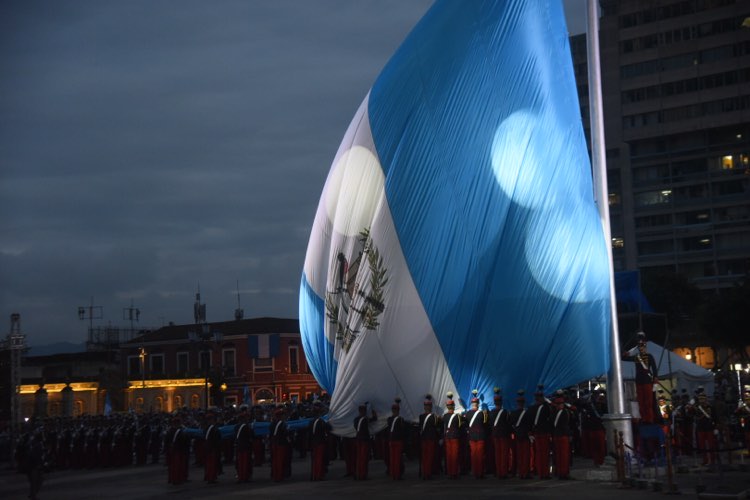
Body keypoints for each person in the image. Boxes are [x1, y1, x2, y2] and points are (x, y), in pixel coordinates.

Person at [622, 332, 660, 424]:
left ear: (645, 347)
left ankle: (650, 419)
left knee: (648, 402)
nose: (641, 348)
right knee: (641, 402)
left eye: (642, 346)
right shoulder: (636, 357)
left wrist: (655, 378)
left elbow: (654, 368)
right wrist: (625, 354)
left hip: (647, 381)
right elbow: (623, 358)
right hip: (639, 381)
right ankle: (643, 418)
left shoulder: (649, 356)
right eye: (640, 347)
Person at [530, 385, 552, 479]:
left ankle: (540, 473)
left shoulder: (532, 408)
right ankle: (545, 473)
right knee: (545, 454)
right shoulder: (546, 407)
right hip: (544, 433)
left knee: (538, 454)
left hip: (536, 433)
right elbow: (550, 419)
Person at [464, 390, 487, 479]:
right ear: (478, 403)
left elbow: (466, 425)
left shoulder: (468, 413)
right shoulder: (482, 413)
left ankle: (475, 472)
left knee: (473, 455)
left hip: (472, 436)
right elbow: (485, 424)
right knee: (480, 455)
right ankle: (480, 473)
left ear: (472, 403)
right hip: (480, 436)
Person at [489, 387, 512, 479]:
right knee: (504, 454)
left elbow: (490, 423)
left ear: (495, 403)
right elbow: (508, 423)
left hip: (495, 435)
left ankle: (499, 472)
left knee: (497, 454)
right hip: (504, 435)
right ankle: (503, 473)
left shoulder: (491, 412)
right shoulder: (505, 412)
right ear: (501, 402)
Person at [418, 394, 441, 480]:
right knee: (430, 456)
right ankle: (428, 473)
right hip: (431, 438)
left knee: (424, 457)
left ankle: (425, 473)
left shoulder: (421, 417)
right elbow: (436, 426)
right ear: (430, 407)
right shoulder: (434, 417)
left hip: (423, 439)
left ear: (424, 407)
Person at [511, 389, 532, 479]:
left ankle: (521, 473)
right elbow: (529, 424)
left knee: (519, 455)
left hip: (517, 435)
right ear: (523, 403)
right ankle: (525, 473)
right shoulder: (527, 413)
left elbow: (511, 424)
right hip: (525, 436)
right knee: (526, 456)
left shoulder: (513, 413)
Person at [353, 403, 377, 480]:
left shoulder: (356, 419)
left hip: (358, 439)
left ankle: (358, 473)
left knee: (359, 458)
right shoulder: (365, 419)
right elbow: (374, 418)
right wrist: (373, 411)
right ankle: (363, 474)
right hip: (364, 440)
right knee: (364, 458)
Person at [443, 392, 462, 479]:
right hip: (454, 437)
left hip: (447, 437)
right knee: (454, 455)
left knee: (449, 455)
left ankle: (450, 472)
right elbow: (459, 426)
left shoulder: (445, 416)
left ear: (447, 407)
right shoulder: (457, 416)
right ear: (454, 407)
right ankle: (454, 472)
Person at [308, 401, 329, 481]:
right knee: (319, 459)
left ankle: (314, 475)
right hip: (320, 443)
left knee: (314, 460)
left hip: (313, 443)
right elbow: (328, 429)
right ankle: (318, 475)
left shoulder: (311, 422)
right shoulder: (321, 422)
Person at [387, 398, 407, 480]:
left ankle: (393, 474)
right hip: (398, 441)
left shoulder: (389, 419)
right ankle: (397, 474)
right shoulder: (401, 419)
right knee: (397, 458)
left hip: (391, 441)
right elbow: (402, 430)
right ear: (398, 410)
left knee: (392, 458)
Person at [551, 396, 571, 479]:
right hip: (563, 436)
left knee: (558, 455)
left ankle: (559, 472)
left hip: (556, 435)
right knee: (563, 456)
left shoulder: (554, 413)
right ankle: (563, 473)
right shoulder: (564, 412)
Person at [270, 407, 290, 482]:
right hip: (281, 444)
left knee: (275, 460)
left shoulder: (272, 424)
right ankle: (279, 476)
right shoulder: (283, 424)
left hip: (274, 444)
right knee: (280, 460)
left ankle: (275, 475)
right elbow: (285, 434)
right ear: (281, 416)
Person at [235, 408, 254, 483]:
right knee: (245, 462)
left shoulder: (236, 427)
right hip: (246, 446)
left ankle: (240, 476)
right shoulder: (246, 427)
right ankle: (245, 477)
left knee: (240, 463)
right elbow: (251, 435)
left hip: (239, 446)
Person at [203, 412, 222, 484]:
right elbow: (216, 439)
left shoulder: (206, 428)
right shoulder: (213, 428)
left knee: (209, 463)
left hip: (208, 448)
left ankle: (209, 476)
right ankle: (211, 478)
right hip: (212, 448)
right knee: (212, 463)